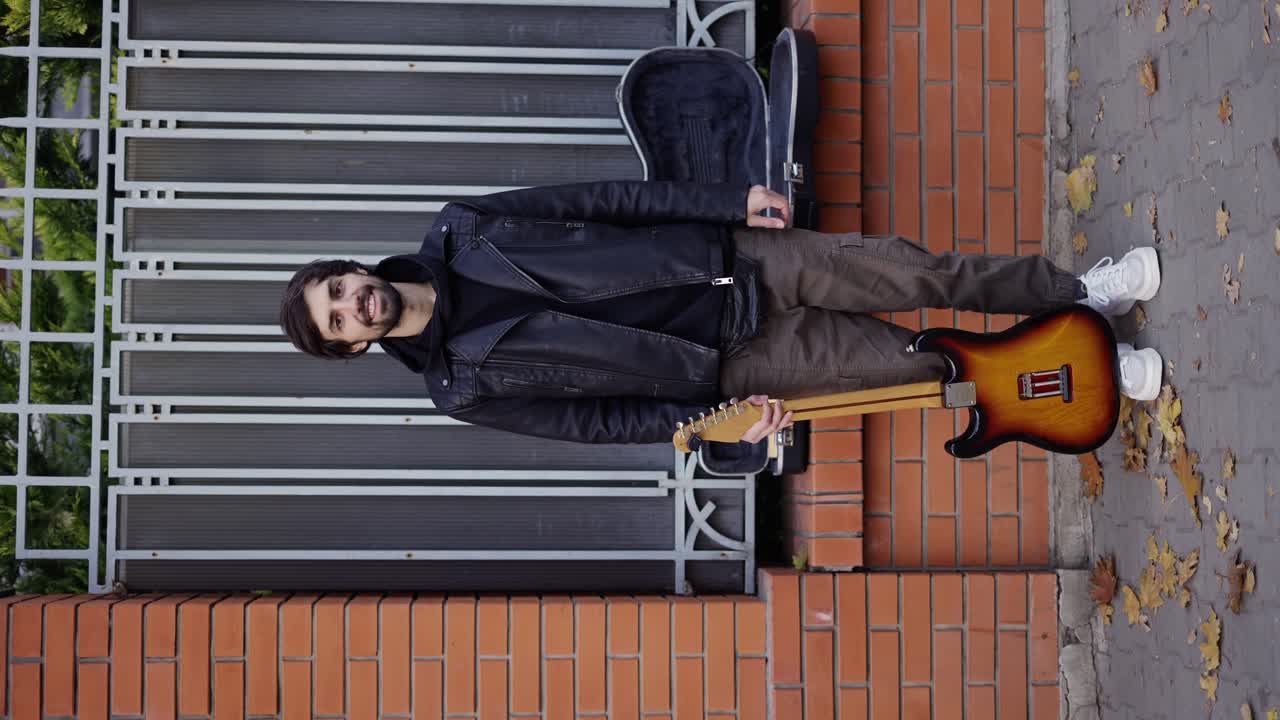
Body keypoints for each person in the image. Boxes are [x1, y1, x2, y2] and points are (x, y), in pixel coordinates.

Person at [278, 181, 1162, 445]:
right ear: (355, 349)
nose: (355, 305)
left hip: (732, 259)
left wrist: (722, 201)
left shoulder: (462, 226)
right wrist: (723, 422)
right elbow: (603, 423)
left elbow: (608, 201)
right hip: (737, 364)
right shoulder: (458, 387)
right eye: (342, 322)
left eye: (342, 289)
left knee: (919, 274)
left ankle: (1082, 292)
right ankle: (1094, 369)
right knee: (925, 370)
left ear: (354, 267)